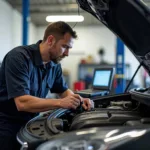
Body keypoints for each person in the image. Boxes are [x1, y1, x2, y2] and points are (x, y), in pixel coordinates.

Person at [0, 21, 92, 149]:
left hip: (31, 123)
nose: (67, 53)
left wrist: (79, 100)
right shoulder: (19, 58)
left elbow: (63, 90)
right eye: (65, 47)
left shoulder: (54, 65)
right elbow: (22, 102)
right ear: (50, 40)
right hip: (7, 127)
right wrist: (60, 103)